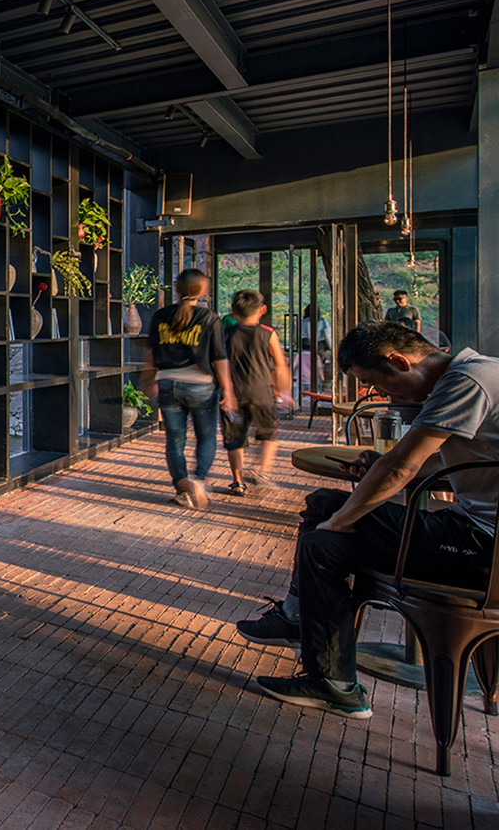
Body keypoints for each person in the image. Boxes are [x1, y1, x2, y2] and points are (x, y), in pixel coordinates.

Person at [234, 321, 498, 719]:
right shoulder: (479, 369)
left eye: (379, 385)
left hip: (486, 551)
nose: (384, 396)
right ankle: (295, 617)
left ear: (399, 361)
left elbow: (401, 465)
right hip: (475, 533)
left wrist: (342, 521)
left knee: (322, 543)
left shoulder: (465, 382)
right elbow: (438, 458)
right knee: (324, 503)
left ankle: (333, 683)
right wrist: (371, 476)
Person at [139, 269, 238, 508]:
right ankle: (199, 480)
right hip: (201, 385)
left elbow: (151, 354)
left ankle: (182, 487)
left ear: (176, 288)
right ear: (202, 291)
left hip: (167, 383)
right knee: (206, 437)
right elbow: (219, 358)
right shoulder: (209, 317)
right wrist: (228, 390)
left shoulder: (160, 316)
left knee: (174, 439)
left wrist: (147, 382)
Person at [219, 290, 294, 496]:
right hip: (262, 393)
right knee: (268, 434)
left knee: (235, 438)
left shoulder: (224, 335)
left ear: (233, 311)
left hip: (233, 395)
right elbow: (280, 365)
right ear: (263, 310)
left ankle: (238, 481)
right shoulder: (268, 334)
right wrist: (285, 392)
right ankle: (261, 470)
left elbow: (217, 363)